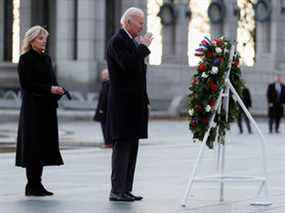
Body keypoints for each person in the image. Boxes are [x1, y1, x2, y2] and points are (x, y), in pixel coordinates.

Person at [106, 7, 153, 202]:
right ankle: (116, 190)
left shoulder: (131, 42)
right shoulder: (118, 41)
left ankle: (126, 189)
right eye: (139, 23)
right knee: (122, 148)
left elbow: (138, 75)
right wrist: (142, 48)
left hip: (134, 105)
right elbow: (127, 65)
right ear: (128, 22)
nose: (142, 27)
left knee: (132, 148)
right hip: (122, 106)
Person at [16, 26, 65, 196]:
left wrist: (58, 89)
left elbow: (51, 80)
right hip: (33, 110)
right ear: (31, 40)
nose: (43, 41)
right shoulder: (25, 59)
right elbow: (27, 85)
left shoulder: (46, 58)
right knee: (33, 146)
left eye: (45, 38)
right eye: (40, 38)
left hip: (47, 109)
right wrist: (49, 89)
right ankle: (32, 185)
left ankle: (38, 184)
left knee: (43, 145)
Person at [93, 68, 112, 148]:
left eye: (103, 74)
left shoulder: (106, 84)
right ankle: (108, 142)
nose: (101, 76)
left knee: (105, 127)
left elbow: (104, 98)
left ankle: (108, 142)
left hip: (104, 111)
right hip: (107, 110)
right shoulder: (108, 84)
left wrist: (101, 109)